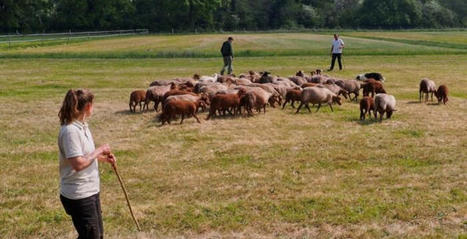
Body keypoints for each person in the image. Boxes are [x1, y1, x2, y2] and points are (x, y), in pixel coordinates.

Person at [58, 89, 116, 239]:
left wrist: (103, 159)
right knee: (91, 236)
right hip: (79, 195)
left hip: (90, 191)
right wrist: (100, 150)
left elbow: (84, 156)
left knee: (96, 235)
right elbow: (78, 164)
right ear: (88, 106)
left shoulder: (83, 126)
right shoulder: (71, 131)